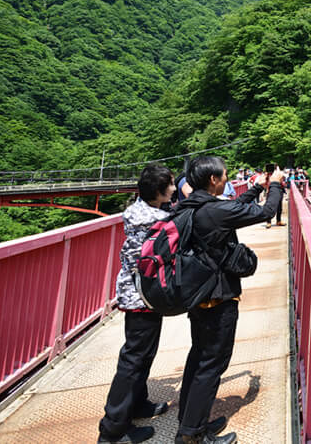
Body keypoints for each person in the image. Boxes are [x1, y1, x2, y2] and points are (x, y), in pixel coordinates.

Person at [173, 156, 285, 444]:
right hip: (217, 298)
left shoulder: (189, 206)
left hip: (198, 295)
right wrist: (274, 185)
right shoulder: (214, 211)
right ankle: (192, 435)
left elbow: (233, 208)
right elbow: (267, 212)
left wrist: (255, 188)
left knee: (199, 357)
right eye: (224, 176)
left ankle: (190, 419)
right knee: (212, 365)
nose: (226, 179)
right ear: (214, 180)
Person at [98, 164, 180, 443]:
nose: (174, 188)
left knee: (142, 354)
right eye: (170, 184)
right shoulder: (157, 220)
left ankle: (137, 404)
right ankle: (113, 430)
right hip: (143, 296)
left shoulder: (137, 210)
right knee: (133, 360)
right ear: (159, 192)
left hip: (136, 293)